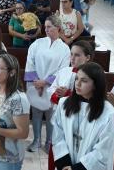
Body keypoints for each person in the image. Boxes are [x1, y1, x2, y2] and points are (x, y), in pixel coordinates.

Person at [52, 62, 114, 170]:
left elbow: (104, 149)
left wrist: (77, 168)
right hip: (65, 164)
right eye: (77, 79)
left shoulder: (108, 113)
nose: (77, 84)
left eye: (84, 80)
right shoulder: (64, 103)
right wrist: (64, 164)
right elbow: (57, 134)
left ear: (96, 84)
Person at [24, 15, 70, 153]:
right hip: (34, 84)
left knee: (51, 115)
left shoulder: (65, 49)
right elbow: (30, 61)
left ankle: (50, 141)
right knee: (36, 113)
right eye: (45, 27)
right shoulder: (37, 43)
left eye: (49, 27)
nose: (46, 29)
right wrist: (36, 82)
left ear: (58, 28)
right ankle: (36, 140)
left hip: (51, 87)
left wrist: (45, 82)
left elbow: (62, 71)